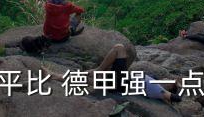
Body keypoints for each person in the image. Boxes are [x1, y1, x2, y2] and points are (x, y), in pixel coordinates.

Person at [43, 43, 182, 105]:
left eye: (172, 82)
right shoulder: (156, 83)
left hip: (121, 82)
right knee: (88, 78)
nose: (170, 79)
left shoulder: (161, 91)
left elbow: (177, 99)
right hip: (121, 80)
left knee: (119, 49)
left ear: (170, 88)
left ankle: (98, 69)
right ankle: (56, 76)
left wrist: (177, 90)